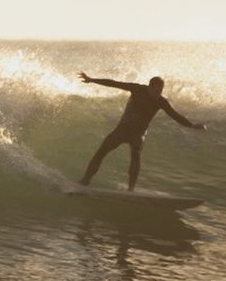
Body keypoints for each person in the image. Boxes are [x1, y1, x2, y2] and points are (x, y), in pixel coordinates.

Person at [77, 72, 206, 191]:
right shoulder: (137, 89)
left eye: (160, 91)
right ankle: (85, 181)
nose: (158, 93)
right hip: (122, 130)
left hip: (138, 134)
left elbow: (175, 115)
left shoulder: (161, 101)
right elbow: (114, 83)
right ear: (150, 87)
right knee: (101, 152)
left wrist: (192, 125)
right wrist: (92, 80)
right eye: (156, 90)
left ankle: (131, 190)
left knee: (136, 156)